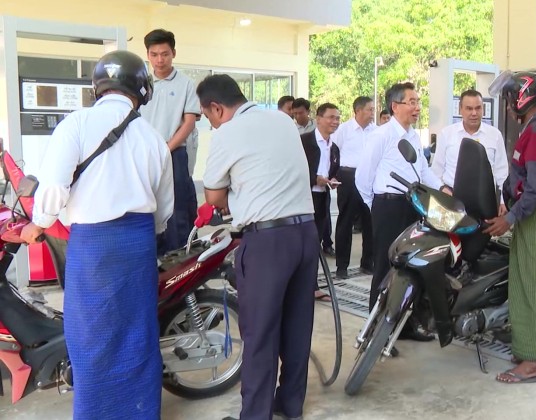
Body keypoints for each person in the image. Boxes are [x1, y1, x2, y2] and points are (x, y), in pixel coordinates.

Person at [22, 50, 174, 418]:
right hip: (138, 245)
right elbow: (164, 209)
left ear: (98, 87)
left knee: (91, 337)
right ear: (142, 89)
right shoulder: (153, 138)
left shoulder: (76, 124)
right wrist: (145, 233)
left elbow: (53, 188)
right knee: (137, 335)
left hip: (92, 248)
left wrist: (38, 223)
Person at [199, 74, 317, 420]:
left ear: (217, 108)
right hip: (306, 234)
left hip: (268, 242)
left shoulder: (228, 133)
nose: (211, 124)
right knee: (297, 326)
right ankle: (290, 404)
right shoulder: (283, 120)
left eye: (208, 117)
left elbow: (213, 196)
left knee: (260, 332)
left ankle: (255, 414)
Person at [484, 71, 536, 384]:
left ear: (522, 98)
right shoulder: (532, 129)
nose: (507, 107)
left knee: (532, 287)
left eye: (508, 101)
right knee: (523, 283)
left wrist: (510, 217)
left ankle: (530, 363)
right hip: (530, 214)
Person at [356, 82, 449, 346]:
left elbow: (423, 171)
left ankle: (406, 326)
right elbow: (363, 176)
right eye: (412, 102)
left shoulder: (413, 136)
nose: (417, 107)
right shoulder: (382, 135)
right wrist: (376, 205)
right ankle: (375, 332)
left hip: (412, 205)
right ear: (395, 106)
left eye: (418, 102)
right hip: (388, 206)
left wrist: (443, 188)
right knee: (386, 267)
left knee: (413, 265)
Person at [139, 29, 200, 254]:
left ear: (173, 53)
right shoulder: (141, 83)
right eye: (154, 54)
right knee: (146, 205)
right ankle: (153, 258)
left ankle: (179, 258)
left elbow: (189, 122)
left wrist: (167, 148)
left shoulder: (186, 84)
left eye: (164, 54)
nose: (159, 60)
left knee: (177, 209)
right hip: (145, 154)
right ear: (148, 55)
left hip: (174, 153)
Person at [432, 89, 509, 215]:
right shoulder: (447, 134)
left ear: (483, 109)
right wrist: (441, 193)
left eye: (478, 108)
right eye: (469, 108)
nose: (474, 113)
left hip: (484, 199)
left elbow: (502, 172)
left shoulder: (495, 135)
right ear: (460, 110)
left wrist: (502, 201)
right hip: (451, 197)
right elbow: (437, 170)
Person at [333, 96, 376, 279]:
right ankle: (342, 266)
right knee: (345, 221)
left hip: (369, 179)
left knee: (370, 222)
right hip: (348, 177)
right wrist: (334, 175)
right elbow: (334, 152)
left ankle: (368, 262)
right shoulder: (344, 130)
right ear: (358, 111)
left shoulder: (376, 131)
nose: (372, 113)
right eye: (369, 109)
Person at [301, 103, 340, 261]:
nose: (335, 122)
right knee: (303, 241)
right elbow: (295, 168)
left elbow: (334, 171)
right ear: (318, 119)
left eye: (337, 118)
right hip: (304, 198)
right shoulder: (304, 142)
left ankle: (313, 273)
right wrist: (314, 179)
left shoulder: (334, 148)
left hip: (322, 198)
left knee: (316, 239)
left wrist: (333, 180)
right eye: (331, 117)